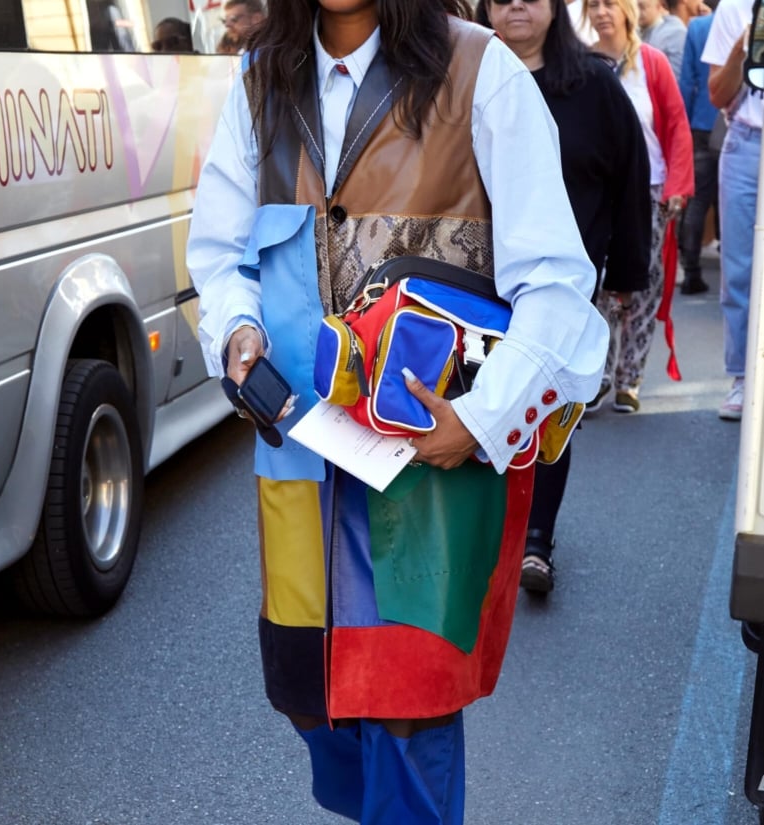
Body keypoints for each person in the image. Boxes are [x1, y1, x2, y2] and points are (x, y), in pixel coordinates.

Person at [187, 1, 609, 821]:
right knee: (309, 697)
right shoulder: (258, 76)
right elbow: (220, 252)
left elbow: (557, 283)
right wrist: (236, 328)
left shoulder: (479, 70)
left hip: (429, 464)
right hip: (299, 455)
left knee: (409, 712)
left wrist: (482, 420)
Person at [475, 0, 651, 593]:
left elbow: (630, 181)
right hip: (475, 285)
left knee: (548, 410)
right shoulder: (463, 78)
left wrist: (628, 273)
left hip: (566, 286)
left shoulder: (596, 88)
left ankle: (536, 543)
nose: (515, 5)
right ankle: (482, 538)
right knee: (476, 405)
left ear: (554, 8)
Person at [585, 0, 694, 413]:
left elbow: (676, 125)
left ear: (628, 10)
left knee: (642, 287)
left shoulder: (652, 62)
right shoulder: (583, 63)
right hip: (600, 194)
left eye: (609, 3)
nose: (601, 12)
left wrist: (677, 188)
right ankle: (601, 374)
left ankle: (630, 378)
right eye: (593, 4)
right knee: (600, 289)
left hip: (648, 191)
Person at [703, 0, 761, 420]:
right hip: (746, 141)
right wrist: (747, 40)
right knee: (739, 268)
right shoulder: (735, 8)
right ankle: (743, 376)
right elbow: (717, 93)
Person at [677, 5, 721, 294]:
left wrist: (685, 125)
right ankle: (738, 276)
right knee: (734, 203)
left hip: (702, 122)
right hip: (739, 120)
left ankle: (691, 269)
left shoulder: (698, 27)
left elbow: (688, 79)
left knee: (697, 201)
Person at [638, 0, 687, 75]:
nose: (637, 12)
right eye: (635, 7)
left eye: (642, 7)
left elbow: (677, 76)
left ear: (658, 6)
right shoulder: (637, 31)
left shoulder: (675, 32)